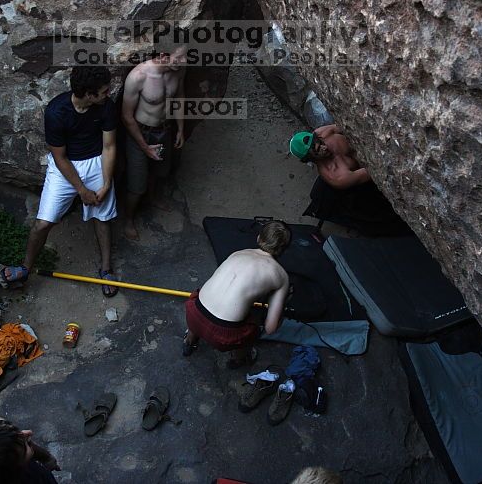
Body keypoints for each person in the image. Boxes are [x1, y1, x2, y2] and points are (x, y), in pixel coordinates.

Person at [2, 65, 119, 296]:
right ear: (88, 94)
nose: (109, 93)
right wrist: (81, 190)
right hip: (65, 167)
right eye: (104, 91)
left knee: (102, 217)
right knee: (43, 223)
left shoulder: (106, 106)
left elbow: (109, 146)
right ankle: (25, 268)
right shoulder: (57, 112)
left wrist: (106, 183)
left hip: (97, 161)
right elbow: (60, 157)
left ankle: (106, 270)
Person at [183, 221, 291, 368]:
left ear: (259, 238)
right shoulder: (281, 276)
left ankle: (189, 341)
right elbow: (270, 328)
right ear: (284, 249)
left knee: (202, 307)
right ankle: (240, 359)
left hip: (193, 313)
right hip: (223, 335)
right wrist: (283, 309)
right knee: (252, 328)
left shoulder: (238, 253)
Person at [121, 42, 187, 240]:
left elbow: (180, 98)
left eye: (186, 56)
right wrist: (144, 146)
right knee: (136, 184)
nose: (184, 61)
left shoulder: (179, 70)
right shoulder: (139, 76)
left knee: (160, 172)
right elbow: (126, 116)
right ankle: (129, 219)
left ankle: (152, 198)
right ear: (163, 54)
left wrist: (181, 129)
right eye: (180, 56)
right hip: (141, 134)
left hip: (165, 130)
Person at [289, 124, 371, 189]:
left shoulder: (323, 133)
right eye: (318, 150)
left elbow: (348, 125)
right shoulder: (337, 177)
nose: (324, 148)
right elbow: (373, 173)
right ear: (310, 159)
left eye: (321, 142)